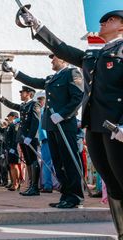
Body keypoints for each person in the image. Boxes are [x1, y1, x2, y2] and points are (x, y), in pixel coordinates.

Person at [17, 9, 123, 237]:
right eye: (103, 20)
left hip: (117, 127)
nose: (103, 22)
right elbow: (62, 48)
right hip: (95, 127)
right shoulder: (94, 55)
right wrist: (37, 25)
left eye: (110, 20)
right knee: (113, 182)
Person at [2, 54, 84, 206]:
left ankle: (75, 197)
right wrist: (14, 71)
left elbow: (78, 97)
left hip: (64, 124)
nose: (52, 60)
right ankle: (66, 196)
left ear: (64, 60)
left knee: (69, 161)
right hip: (52, 126)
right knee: (58, 163)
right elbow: (33, 81)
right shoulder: (51, 78)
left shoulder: (72, 73)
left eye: (55, 58)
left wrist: (63, 115)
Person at [0, 86, 41, 196]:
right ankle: (31, 186)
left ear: (29, 93)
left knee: (33, 161)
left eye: (22, 92)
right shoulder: (24, 106)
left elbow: (35, 122)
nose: (20, 94)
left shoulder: (34, 105)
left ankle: (35, 187)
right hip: (23, 138)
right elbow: (11, 105)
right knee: (28, 161)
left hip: (30, 138)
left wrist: (30, 136)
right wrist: (0, 97)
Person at [0, 112, 20, 191]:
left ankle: (16, 183)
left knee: (14, 166)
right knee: (11, 166)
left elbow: (15, 137)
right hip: (8, 148)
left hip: (13, 148)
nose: (8, 118)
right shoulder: (10, 125)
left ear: (13, 117)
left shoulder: (15, 124)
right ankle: (13, 182)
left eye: (10, 116)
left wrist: (13, 147)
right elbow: (2, 131)